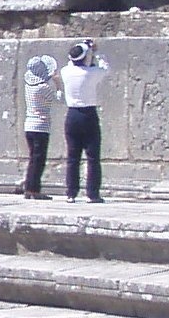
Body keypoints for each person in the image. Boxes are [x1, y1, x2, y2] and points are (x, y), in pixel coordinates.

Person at [60, 40, 109, 204]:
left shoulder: (65, 72)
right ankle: (92, 193)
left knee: (72, 157)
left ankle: (71, 193)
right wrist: (96, 53)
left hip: (72, 115)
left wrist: (83, 49)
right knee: (92, 156)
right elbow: (105, 69)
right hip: (88, 114)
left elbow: (72, 61)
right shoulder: (90, 73)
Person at [20, 56, 60, 200]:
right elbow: (59, 99)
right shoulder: (43, 88)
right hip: (41, 126)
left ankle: (29, 187)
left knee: (33, 158)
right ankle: (33, 189)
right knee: (39, 160)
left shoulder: (28, 86)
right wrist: (58, 85)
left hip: (29, 125)